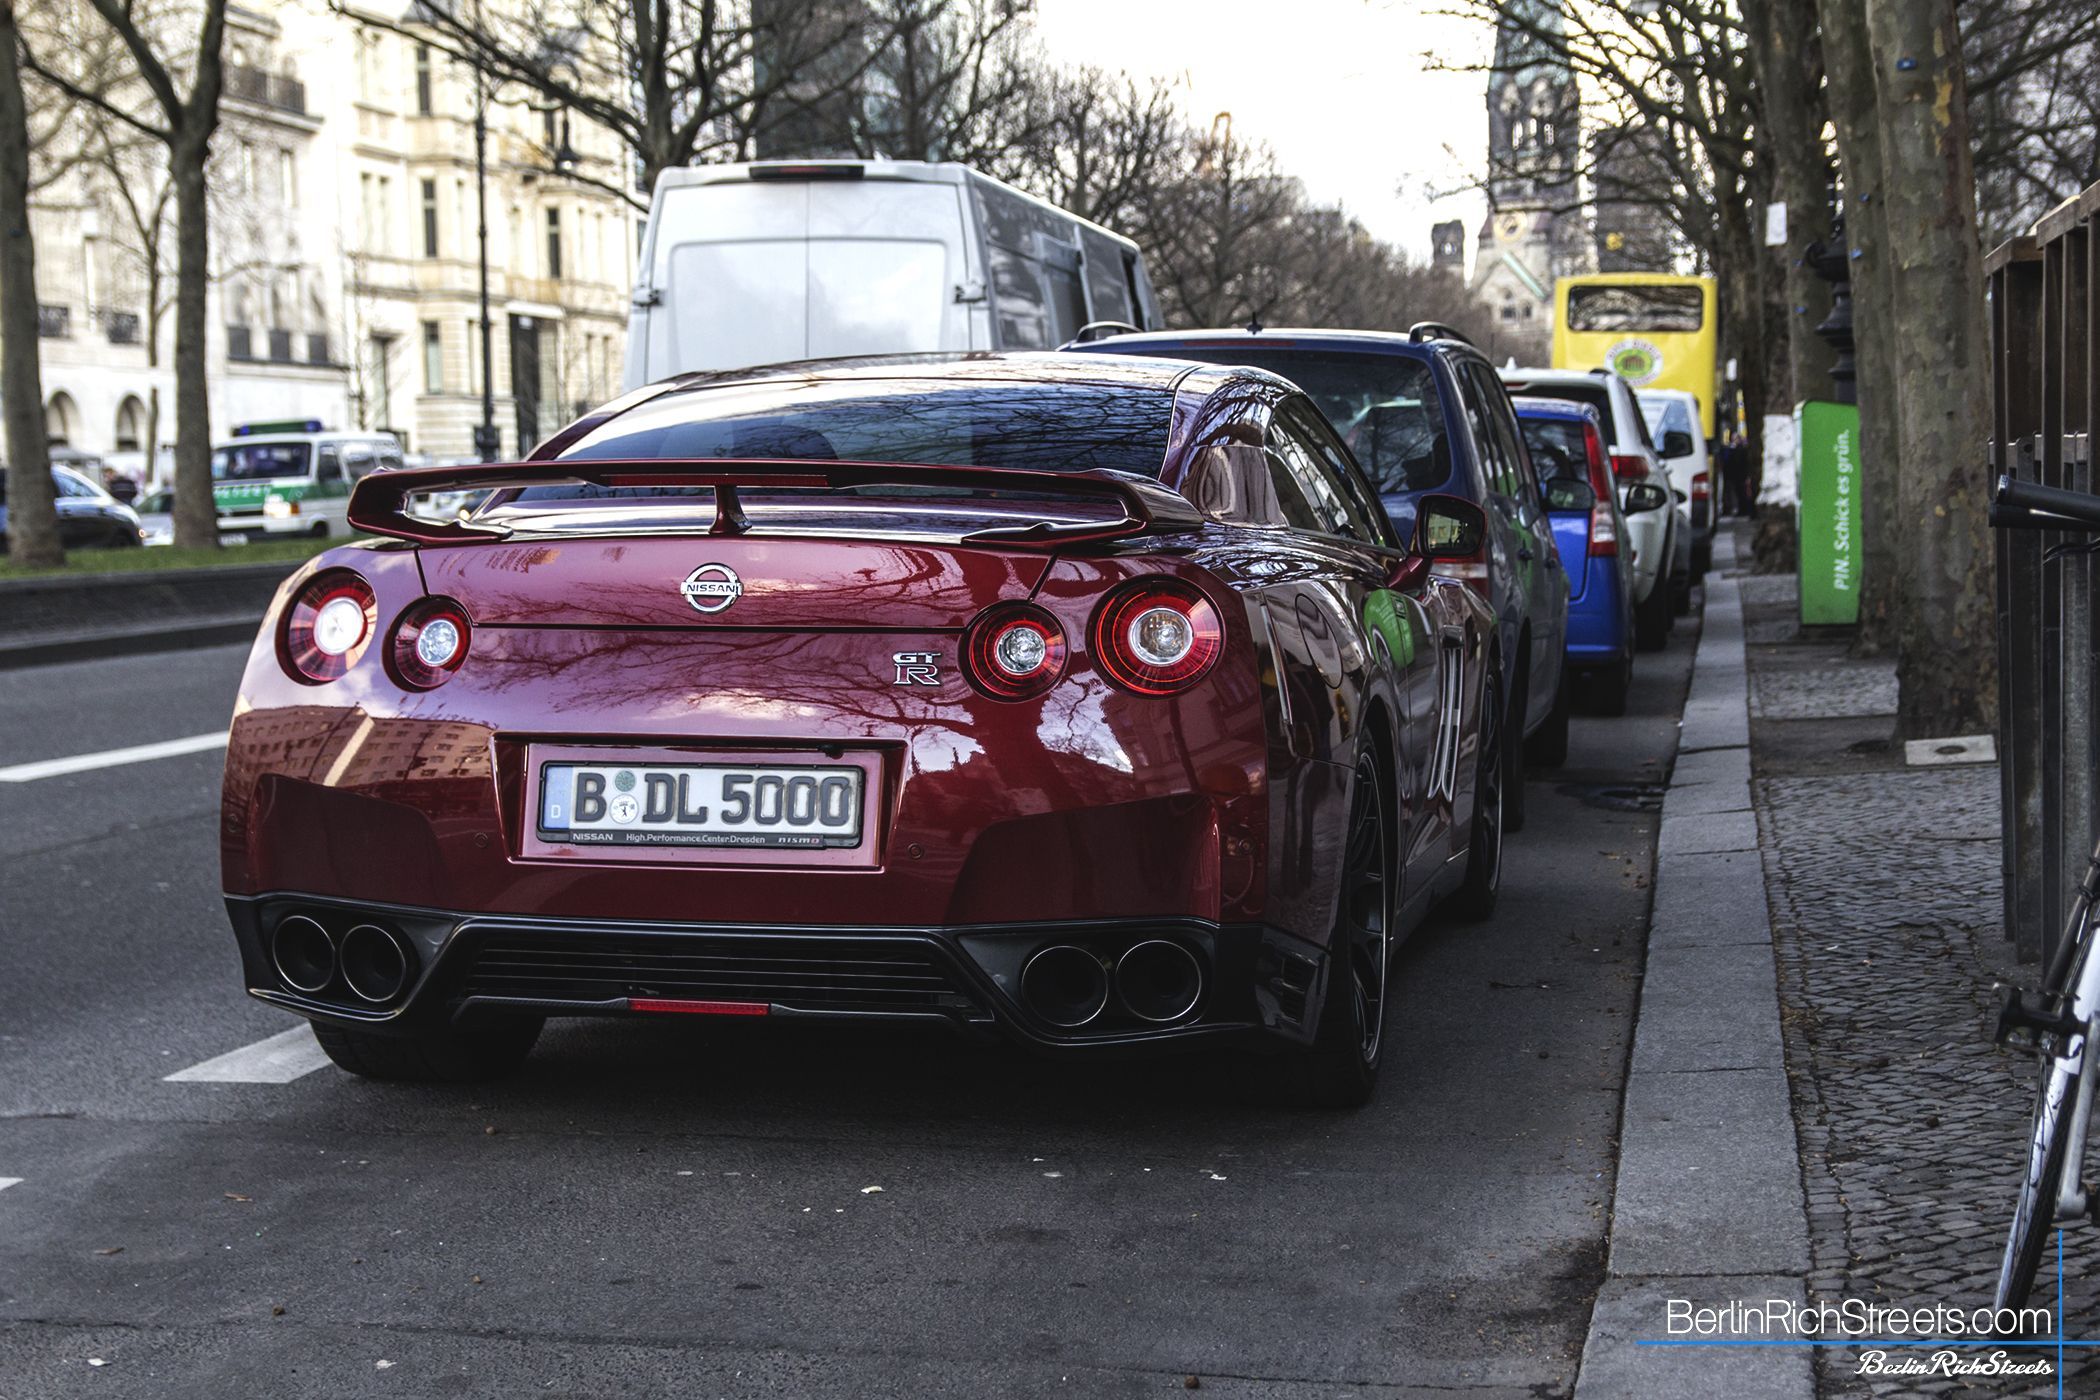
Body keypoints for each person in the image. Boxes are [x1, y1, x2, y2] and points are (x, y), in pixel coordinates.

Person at [1719, 432, 1754, 518]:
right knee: (1739, 493)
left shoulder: (1740, 450)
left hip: (1739, 475)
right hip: (1737, 475)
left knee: (1741, 493)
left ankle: (1743, 510)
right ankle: (1742, 509)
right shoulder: (1737, 450)